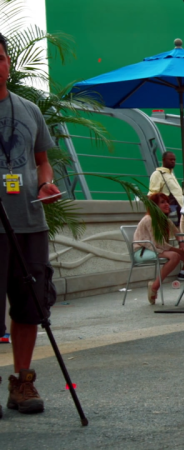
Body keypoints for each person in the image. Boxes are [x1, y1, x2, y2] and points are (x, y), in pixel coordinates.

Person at [0, 31, 62, 417]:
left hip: (29, 223)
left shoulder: (28, 109)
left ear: (8, 63)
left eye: (0, 57)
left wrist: (45, 183)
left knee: (30, 306)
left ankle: (22, 381)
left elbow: (43, 161)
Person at [133, 193, 184, 302]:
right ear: (154, 205)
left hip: (155, 249)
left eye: (167, 202)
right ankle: (154, 287)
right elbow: (158, 243)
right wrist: (178, 250)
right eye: (162, 202)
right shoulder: (149, 219)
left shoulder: (164, 219)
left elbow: (177, 232)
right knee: (175, 256)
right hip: (143, 251)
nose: (167, 205)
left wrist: (181, 242)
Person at [148, 151, 184, 225]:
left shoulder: (171, 174)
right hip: (169, 211)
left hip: (180, 210)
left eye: (174, 160)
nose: (173, 161)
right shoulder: (157, 174)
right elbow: (153, 194)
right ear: (164, 160)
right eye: (170, 159)